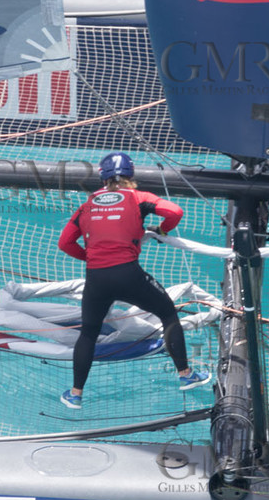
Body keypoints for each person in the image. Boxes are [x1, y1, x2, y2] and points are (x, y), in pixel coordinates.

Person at [56, 152, 210, 408]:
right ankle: (185, 375)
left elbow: (64, 243)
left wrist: (90, 258)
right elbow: (175, 211)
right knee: (169, 314)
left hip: (96, 278)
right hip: (129, 274)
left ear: (102, 177)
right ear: (131, 175)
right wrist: (161, 231)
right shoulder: (139, 198)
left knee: (89, 333)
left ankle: (75, 393)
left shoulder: (86, 206)